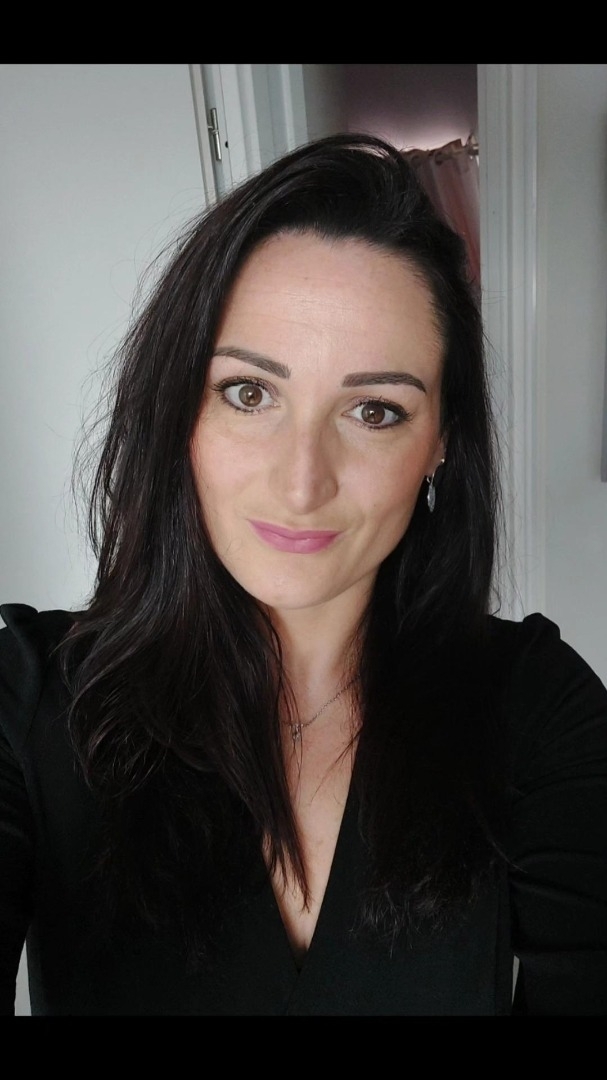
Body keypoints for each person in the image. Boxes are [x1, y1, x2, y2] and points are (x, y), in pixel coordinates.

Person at [1, 133, 606, 1017]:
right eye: (250, 393)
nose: (301, 482)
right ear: (179, 410)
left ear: (440, 443)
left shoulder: (536, 709)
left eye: (374, 411)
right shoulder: (27, 702)